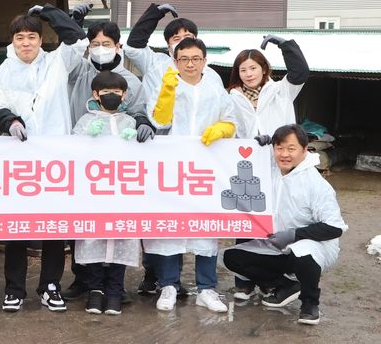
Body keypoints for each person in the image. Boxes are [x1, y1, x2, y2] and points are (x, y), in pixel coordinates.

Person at [0, 4, 88, 312]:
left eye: (32, 36)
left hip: (55, 158)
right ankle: (14, 288)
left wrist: (49, 12)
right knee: (17, 225)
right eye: (20, 37)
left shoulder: (57, 62)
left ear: (41, 39)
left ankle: (50, 285)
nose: (26, 43)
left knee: (54, 225)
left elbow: (78, 39)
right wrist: (10, 122)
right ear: (12, 41)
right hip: (19, 159)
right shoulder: (3, 72)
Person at [65, 20, 156, 300]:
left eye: (106, 44)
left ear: (118, 45)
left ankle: (115, 285)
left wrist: (141, 124)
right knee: (84, 224)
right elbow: (68, 53)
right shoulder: (81, 72)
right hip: (85, 165)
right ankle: (84, 279)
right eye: (95, 44)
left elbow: (139, 111)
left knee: (120, 226)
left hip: (120, 172)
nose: (100, 49)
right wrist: (72, 23)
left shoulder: (132, 81)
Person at [144, 37, 236, 313]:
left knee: (205, 227)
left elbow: (231, 121)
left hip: (205, 166)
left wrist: (222, 129)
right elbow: (159, 120)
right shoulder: (168, 84)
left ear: (205, 61)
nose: (190, 64)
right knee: (171, 225)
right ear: (175, 61)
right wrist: (167, 92)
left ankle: (206, 289)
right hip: (172, 165)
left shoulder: (215, 88)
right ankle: (169, 285)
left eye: (196, 59)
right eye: (183, 59)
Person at [223, 124, 347, 325]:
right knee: (232, 257)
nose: (284, 154)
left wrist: (294, 235)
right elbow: (240, 166)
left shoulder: (315, 184)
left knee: (303, 251)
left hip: (313, 246)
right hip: (278, 243)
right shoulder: (272, 171)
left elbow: (334, 228)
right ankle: (285, 285)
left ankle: (309, 304)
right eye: (279, 148)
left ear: (304, 150)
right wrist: (257, 148)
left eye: (291, 148)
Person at [227, 35, 310, 299]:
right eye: (243, 69)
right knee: (246, 221)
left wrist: (285, 45)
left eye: (253, 68)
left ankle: (269, 279)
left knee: (274, 224)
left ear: (264, 69)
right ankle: (244, 282)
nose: (249, 74)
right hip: (248, 170)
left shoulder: (281, 91)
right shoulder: (232, 97)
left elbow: (301, 71)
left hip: (280, 168)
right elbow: (230, 130)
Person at [71, 71, 144, 315]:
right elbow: (71, 150)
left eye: (116, 92)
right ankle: (95, 290)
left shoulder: (130, 122)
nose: (111, 96)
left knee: (120, 236)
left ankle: (115, 290)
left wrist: (134, 141)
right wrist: (86, 137)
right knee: (93, 236)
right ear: (95, 94)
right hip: (93, 192)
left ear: (124, 95)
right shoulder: (85, 121)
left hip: (123, 193)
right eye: (106, 92)